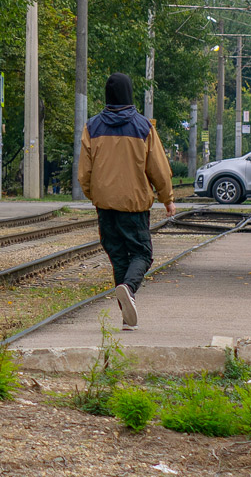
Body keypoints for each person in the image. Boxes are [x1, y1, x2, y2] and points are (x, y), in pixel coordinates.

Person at [77, 73, 176, 331]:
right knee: (142, 253)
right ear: (129, 93)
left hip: (105, 205)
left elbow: (84, 172)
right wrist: (167, 198)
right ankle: (129, 289)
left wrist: (95, 194)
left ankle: (126, 317)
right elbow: (158, 169)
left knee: (119, 256)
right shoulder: (143, 127)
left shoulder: (92, 127)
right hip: (134, 205)